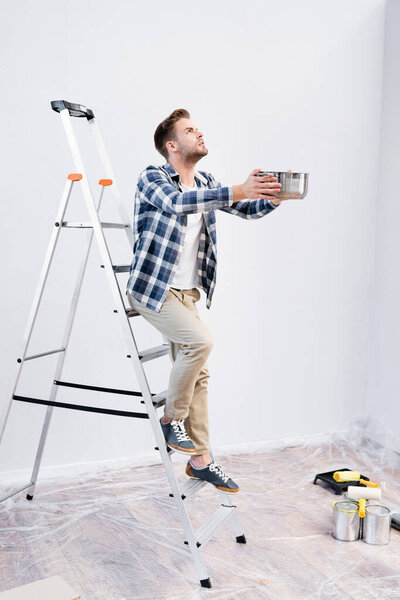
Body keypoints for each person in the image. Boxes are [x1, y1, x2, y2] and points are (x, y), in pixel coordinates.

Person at [126, 108, 283, 494]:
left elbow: (244, 208)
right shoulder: (153, 177)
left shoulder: (208, 181)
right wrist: (237, 189)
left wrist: (272, 197)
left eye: (198, 128)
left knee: (201, 372)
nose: (199, 133)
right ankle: (170, 420)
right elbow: (181, 203)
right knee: (202, 343)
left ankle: (201, 461)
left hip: (187, 293)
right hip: (153, 289)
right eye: (190, 130)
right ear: (172, 145)